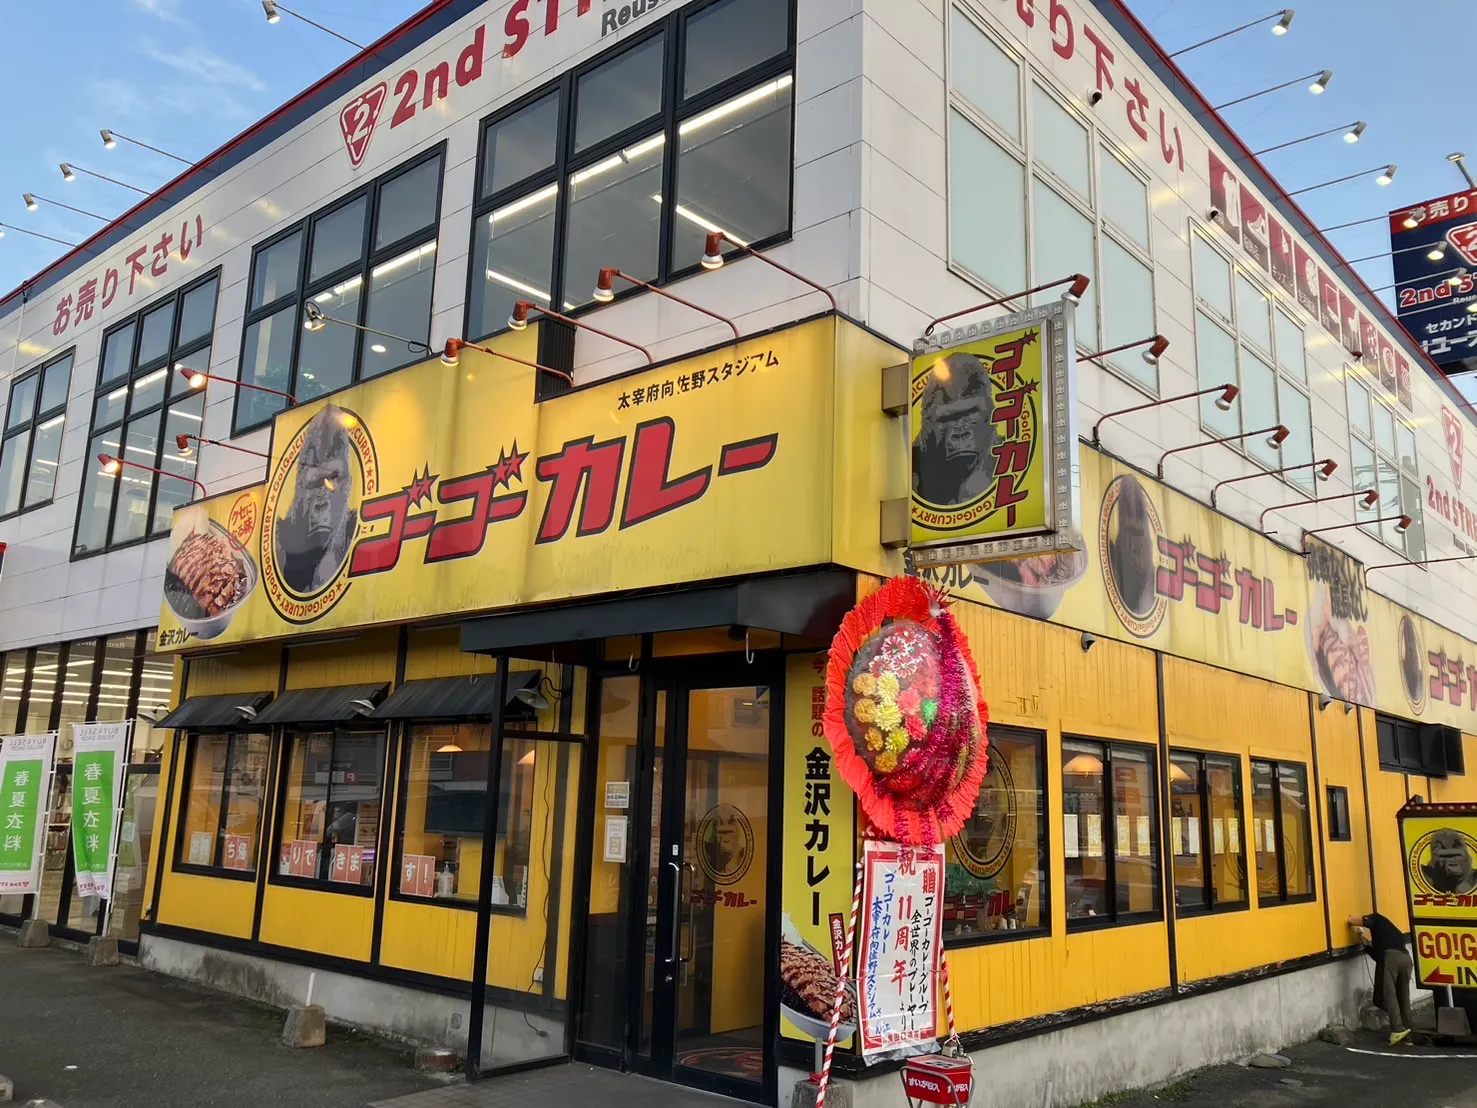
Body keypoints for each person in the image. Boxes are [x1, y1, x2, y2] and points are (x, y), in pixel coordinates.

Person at [1349, 912, 1414, 1045]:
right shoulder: (1392, 932)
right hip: (1406, 959)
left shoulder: (1376, 918)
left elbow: (1355, 921)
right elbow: (1379, 956)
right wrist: (1366, 946)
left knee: (1388, 995)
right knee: (1403, 996)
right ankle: (1408, 1032)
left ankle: (1397, 1029)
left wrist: (1352, 921)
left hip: (1391, 959)